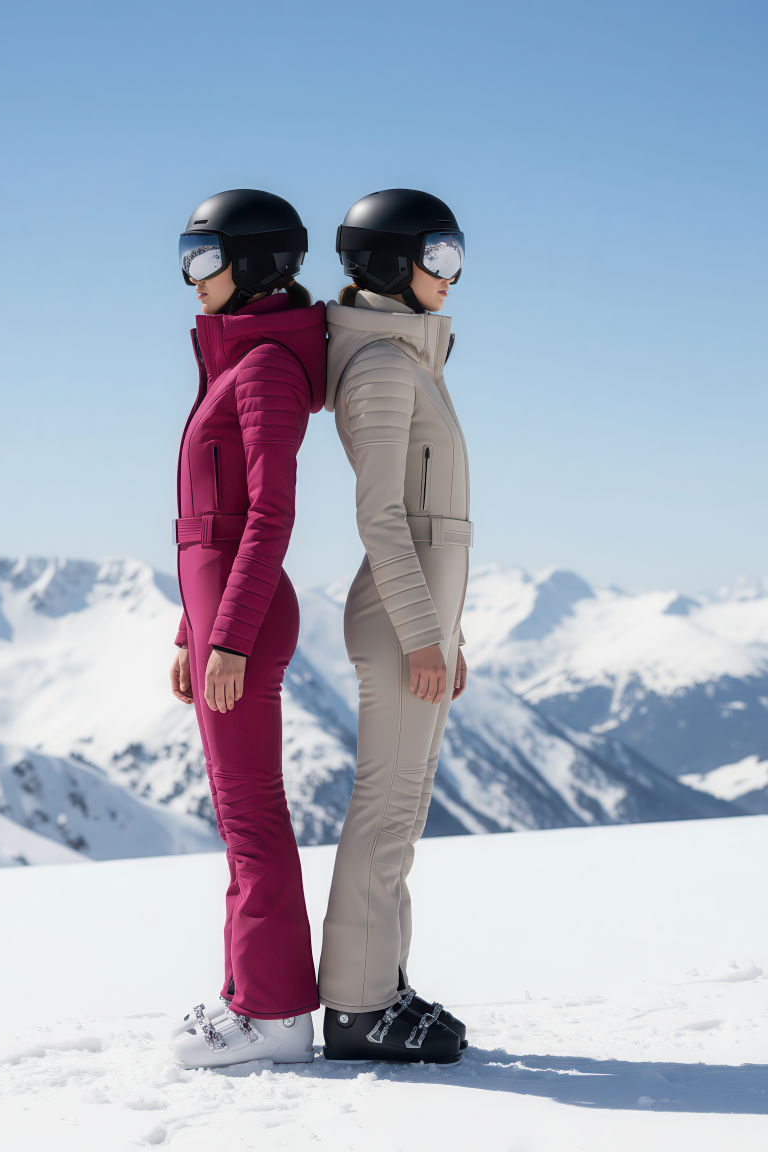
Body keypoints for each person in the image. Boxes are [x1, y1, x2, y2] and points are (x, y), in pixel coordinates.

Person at [166, 189, 326, 1068]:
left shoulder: (264, 367)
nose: (190, 276)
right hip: (221, 610)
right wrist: (188, 631)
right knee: (240, 819)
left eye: (204, 257)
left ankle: (277, 1015)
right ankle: (247, 995)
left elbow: (268, 515)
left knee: (253, 817)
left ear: (256, 262)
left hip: (245, 614)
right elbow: (209, 518)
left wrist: (226, 635)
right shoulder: (235, 361)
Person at [319, 189, 472, 1063]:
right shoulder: (381, 365)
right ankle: (357, 1007)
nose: (454, 274)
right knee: (385, 809)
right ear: (389, 262)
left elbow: (432, 524)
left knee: (403, 813)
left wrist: (451, 634)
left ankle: (385, 982)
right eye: (439, 255)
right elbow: (382, 518)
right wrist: (421, 633)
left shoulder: (413, 360)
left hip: (421, 614)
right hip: (396, 614)